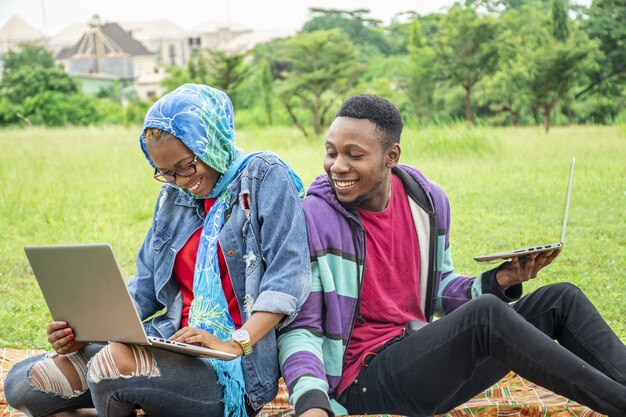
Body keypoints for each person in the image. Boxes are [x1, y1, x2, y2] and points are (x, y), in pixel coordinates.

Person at [277, 94, 626, 417]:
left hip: (423, 361)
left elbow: (440, 287)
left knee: (560, 299)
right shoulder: (314, 218)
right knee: (486, 316)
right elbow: (301, 328)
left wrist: (500, 280)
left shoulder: (427, 203)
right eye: (331, 152)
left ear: (391, 156)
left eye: (354, 155)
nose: (337, 166)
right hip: (361, 381)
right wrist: (312, 404)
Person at [5, 84, 311, 417]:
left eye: (186, 166)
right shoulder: (172, 197)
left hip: (231, 365)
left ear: (210, 143)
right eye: (165, 172)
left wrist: (234, 343)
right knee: (24, 382)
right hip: (171, 342)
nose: (179, 181)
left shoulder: (264, 177)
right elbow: (147, 283)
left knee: (112, 366)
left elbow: (287, 276)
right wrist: (86, 330)